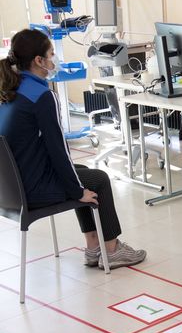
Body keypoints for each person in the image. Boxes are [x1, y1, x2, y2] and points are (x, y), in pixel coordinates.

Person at [0, 29, 146, 270]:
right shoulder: (41, 96)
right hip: (32, 191)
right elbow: (57, 149)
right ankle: (111, 249)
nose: (54, 59)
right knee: (98, 179)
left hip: (11, 189)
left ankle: (93, 247)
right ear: (39, 60)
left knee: (80, 170)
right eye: (51, 54)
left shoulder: (12, 89)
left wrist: (75, 185)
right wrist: (77, 191)